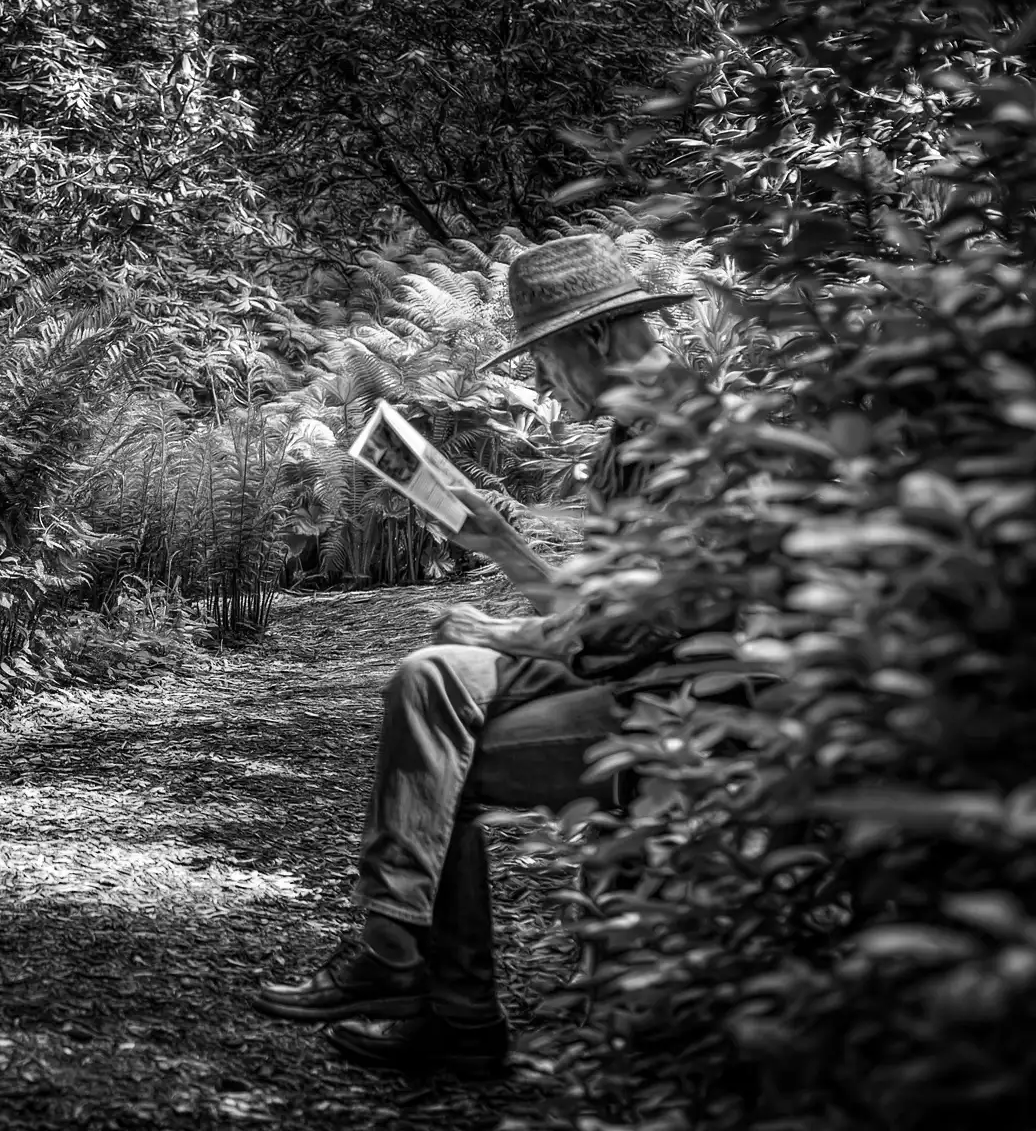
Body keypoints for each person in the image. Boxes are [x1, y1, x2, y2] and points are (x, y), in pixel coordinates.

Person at [252, 233, 728, 1076]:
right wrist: (499, 543)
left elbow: (639, 629)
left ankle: (433, 992)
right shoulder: (627, 441)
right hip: (622, 666)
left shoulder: (690, 437)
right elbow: (595, 612)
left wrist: (510, 635)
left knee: (442, 771)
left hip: (680, 696)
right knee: (430, 675)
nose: (543, 383)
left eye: (545, 359)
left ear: (596, 338)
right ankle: (401, 957)